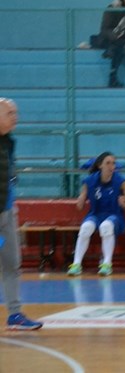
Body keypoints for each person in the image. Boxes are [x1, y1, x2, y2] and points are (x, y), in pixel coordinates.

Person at [0, 98, 43, 330]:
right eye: (10, 113)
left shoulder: (8, 142)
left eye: (15, 113)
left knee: (12, 263)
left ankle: (15, 315)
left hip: (7, 212)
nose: (15, 117)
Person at [67, 152, 125, 277]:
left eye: (113, 163)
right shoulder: (89, 181)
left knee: (106, 227)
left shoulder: (121, 181)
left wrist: (124, 204)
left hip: (115, 215)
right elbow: (80, 206)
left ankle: (107, 264)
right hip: (96, 214)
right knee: (85, 228)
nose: (111, 166)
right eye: (108, 163)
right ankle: (76, 264)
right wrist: (80, 200)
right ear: (100, 165)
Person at [93, 0, 125, 88]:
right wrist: (115, 37)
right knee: (119, 47)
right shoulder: (112, 8)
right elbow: (104, 29)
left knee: (121, 46)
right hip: (107, 38)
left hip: (121, 40)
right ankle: (112, 77)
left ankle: (112, 75)